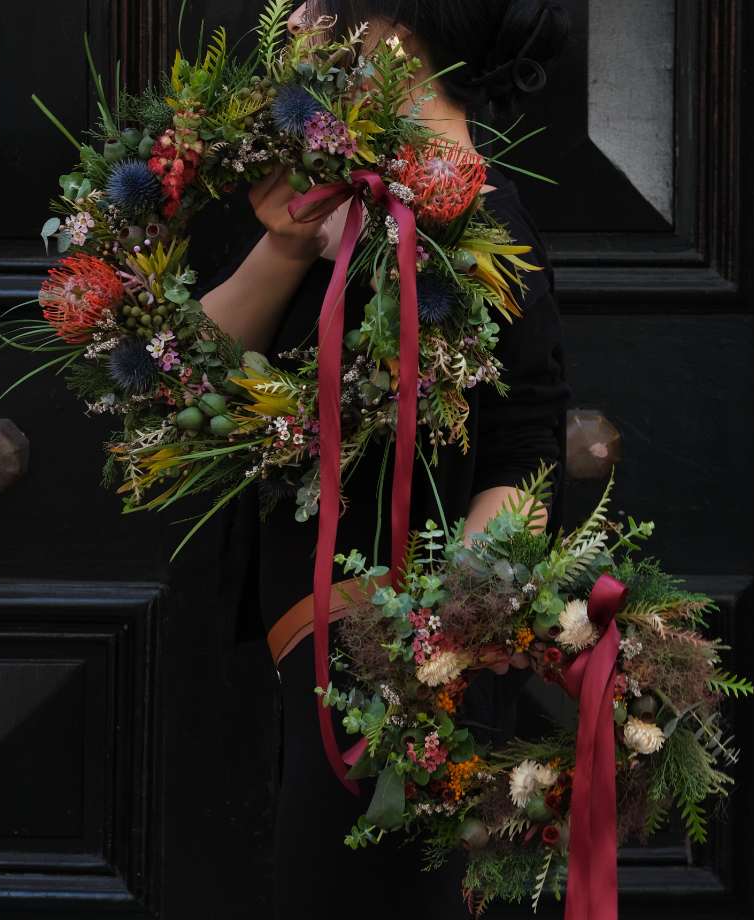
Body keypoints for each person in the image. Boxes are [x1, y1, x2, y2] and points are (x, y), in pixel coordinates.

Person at [199, 1, 570, 915]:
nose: (300, 22)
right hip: (319, 642)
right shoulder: (337, 197)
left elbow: (529, 445)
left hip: (406, 661)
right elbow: (195, 381)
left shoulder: (474, 213)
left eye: (321, 8)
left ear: (386, 35)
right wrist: (285, 243)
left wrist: (434, 642)